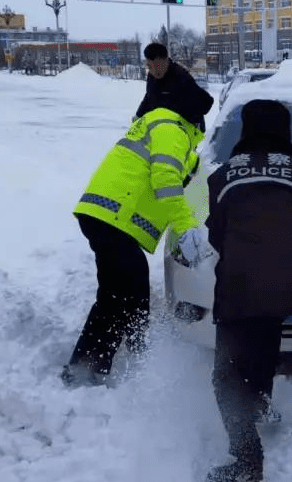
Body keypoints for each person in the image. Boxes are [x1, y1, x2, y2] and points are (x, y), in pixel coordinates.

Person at [204, 100, 292, 482]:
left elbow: (215, 235)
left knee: (226, 374)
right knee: (266, 335)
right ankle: (260, 404)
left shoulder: (222, 176)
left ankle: (245, 464)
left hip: (241, 281)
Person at [62, 95, 212, 388]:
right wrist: (186, 227)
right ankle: (87, 369)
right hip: (113, 217)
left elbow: (196, 180)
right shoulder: (172, 129)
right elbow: (166, 177)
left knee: (131, 290)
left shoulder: (164, 128)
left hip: (108, 216)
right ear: (195, 122)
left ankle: (138, 356)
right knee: (119, 293)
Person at [134, 42, 213, 123]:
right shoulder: (151, 76)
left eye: (158, 66)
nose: (155, 71)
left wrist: (190, 118)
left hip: (182, 129)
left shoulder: (181, 76)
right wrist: (138, 115)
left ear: (166, 60)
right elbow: (149, 97)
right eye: (150, 66)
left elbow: (207, 102)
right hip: (159, 126)